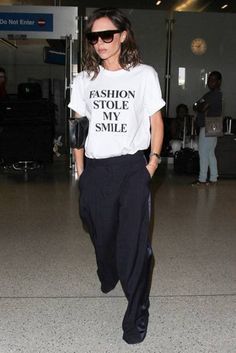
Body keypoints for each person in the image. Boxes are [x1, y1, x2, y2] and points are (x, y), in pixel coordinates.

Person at [68, 8, 165, 344]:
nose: (100, 43)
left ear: (123, 36)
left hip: (131, 168)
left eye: (107, 35)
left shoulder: (144, 75)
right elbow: (78, 129)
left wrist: (151, 163)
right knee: (100, 231)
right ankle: (107, 270)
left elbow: (156, 122)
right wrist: (81, 172)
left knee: (134, 247)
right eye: (94, 37)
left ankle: (137, 314)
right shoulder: (84, 80)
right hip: (95, 170)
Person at [192, 71, 222, 186]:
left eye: (213, 80)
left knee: (203, 152)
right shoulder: (210, 94)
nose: (210, 82)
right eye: (209, 79)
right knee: (210, 153)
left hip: (208, 125)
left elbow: (201, 107)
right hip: (215, 125)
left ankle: (202, 179)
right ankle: (214, 178)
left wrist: (199, 106)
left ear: (219, 82)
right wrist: (198, 106)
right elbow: (195, 105)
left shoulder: (214, 95)